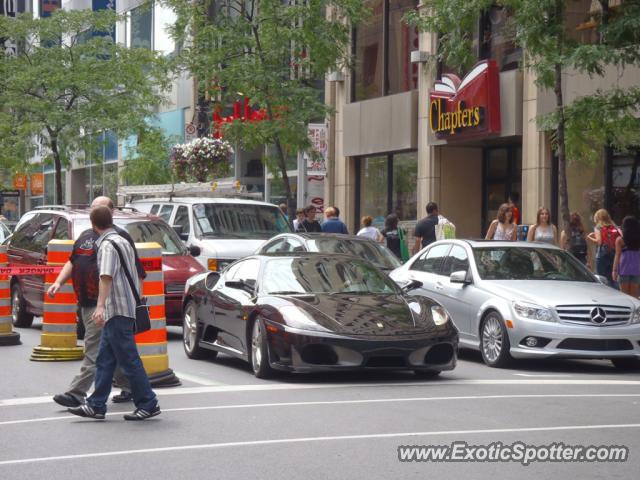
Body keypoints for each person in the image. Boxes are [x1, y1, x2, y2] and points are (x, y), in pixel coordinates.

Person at [49, 196, 146, 408]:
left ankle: (77, 393)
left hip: (104, 305)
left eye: (99, 207)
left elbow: (133, 271)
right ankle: (130, 387)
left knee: (94, 350)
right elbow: (73, 261)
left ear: (111, 212)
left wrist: (136, 300)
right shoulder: (85, 236)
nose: (94, 210)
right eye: (92, 207)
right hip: (85, 301)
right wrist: (58, 282)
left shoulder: (118, 238)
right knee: (113, 349)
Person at [67, 206, 160, 421]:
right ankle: (96, 404)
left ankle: (148, 402)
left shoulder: (108, 246)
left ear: (93, 224)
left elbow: (106, 277)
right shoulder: (122, 240)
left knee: (129, 360)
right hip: (121, 309)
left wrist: (100, 306)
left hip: (116, 309)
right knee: (105, 360)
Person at [587, 208, 620, 288]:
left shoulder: (598, 227)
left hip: (602, 254)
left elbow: (599, 242)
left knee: (601, 278)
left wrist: (589, 237)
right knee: (613, 277)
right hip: (613, 253)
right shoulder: (614, 226)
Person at [612, 216, 640, 297]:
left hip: (624, 269)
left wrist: (614, 270)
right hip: (637, 269)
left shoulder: (620, 240)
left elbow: (617, 255)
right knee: (635, 296)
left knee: (625, 296)